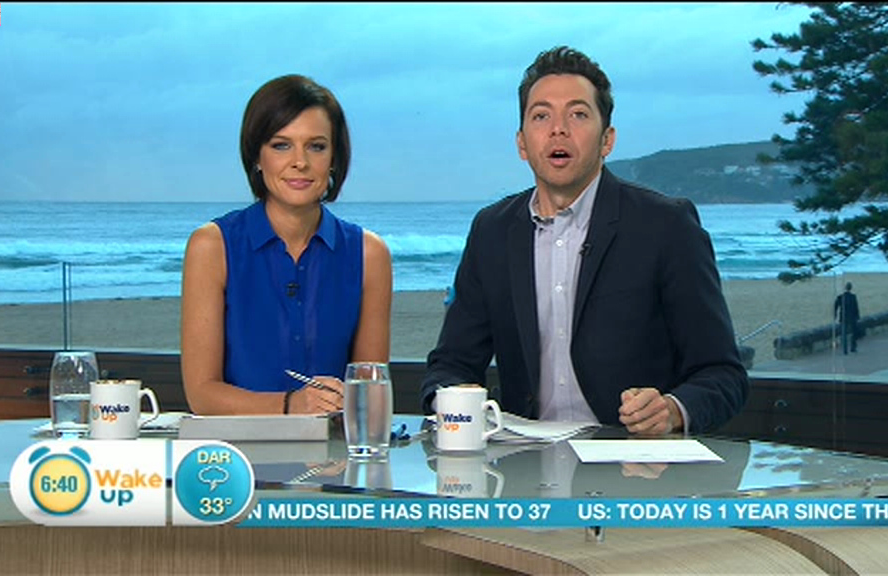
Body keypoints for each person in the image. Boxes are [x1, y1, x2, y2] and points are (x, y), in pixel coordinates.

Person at [420, 46, 748, 436]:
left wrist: (673, 410)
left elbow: (723, 374)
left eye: (577, 114)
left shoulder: (665, 225)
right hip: (524, 459)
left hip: (633, 460)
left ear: (607, 140)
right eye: (541, 116)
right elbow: (451, 364)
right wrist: (451, 400)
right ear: (522, 143)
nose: (558, 129)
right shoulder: (492, 231)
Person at [181, 75, 392, 415]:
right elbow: (202, 395)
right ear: (257, 156)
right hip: (234, 448)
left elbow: (368, 394)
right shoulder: (212, 246)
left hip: (332, 446)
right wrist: (290, 405)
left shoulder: (369, 254)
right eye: (281, 145)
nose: (300, 162)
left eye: (316, 146)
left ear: (334, 158)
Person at [834, 282, 860, 355]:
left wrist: (835, 314)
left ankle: (845, 350)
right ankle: (853, 347)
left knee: (844, 334)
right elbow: (856, 308)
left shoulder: (841, 297)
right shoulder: (853, 297)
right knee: (853, 333)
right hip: (852, 317)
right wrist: (857, 316)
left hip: (843, 317)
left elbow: (835, 306)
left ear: (845, 288)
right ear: (851, 288)